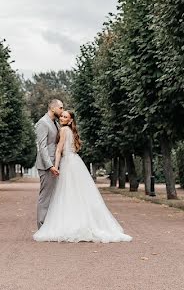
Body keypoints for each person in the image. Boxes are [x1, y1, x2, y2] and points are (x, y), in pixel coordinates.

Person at [33, 110, 132, 243]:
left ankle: (70, 224)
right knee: (78, 194)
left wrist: (55, 167)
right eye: (62, 116)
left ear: (70, 120)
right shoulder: (71, 131)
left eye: (65, 117)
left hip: (68, 163)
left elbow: (58, 150)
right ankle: (80, 222)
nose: (62, 118)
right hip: (76, 162)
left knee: (67, 194)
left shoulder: (63, 130)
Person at [34, 99, 64, 229]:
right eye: (61, 108)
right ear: (53, 108)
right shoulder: (43, 123)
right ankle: (42, 226)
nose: (62, 111)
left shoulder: (55, 123)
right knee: (45, 197)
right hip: (47, 166)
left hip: (56, 164)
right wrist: (50, 166)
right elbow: (42, 147)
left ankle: (50, 226)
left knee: (54, 196)